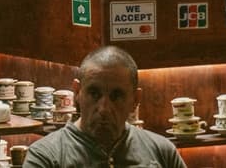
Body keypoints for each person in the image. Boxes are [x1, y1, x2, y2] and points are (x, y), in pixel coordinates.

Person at [23, 45, 186, 167]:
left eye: (116, 96)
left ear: (135, 99)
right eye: (94, 94)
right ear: (77, 92)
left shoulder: (162, 153)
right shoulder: (46, 156)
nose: (104, 109)